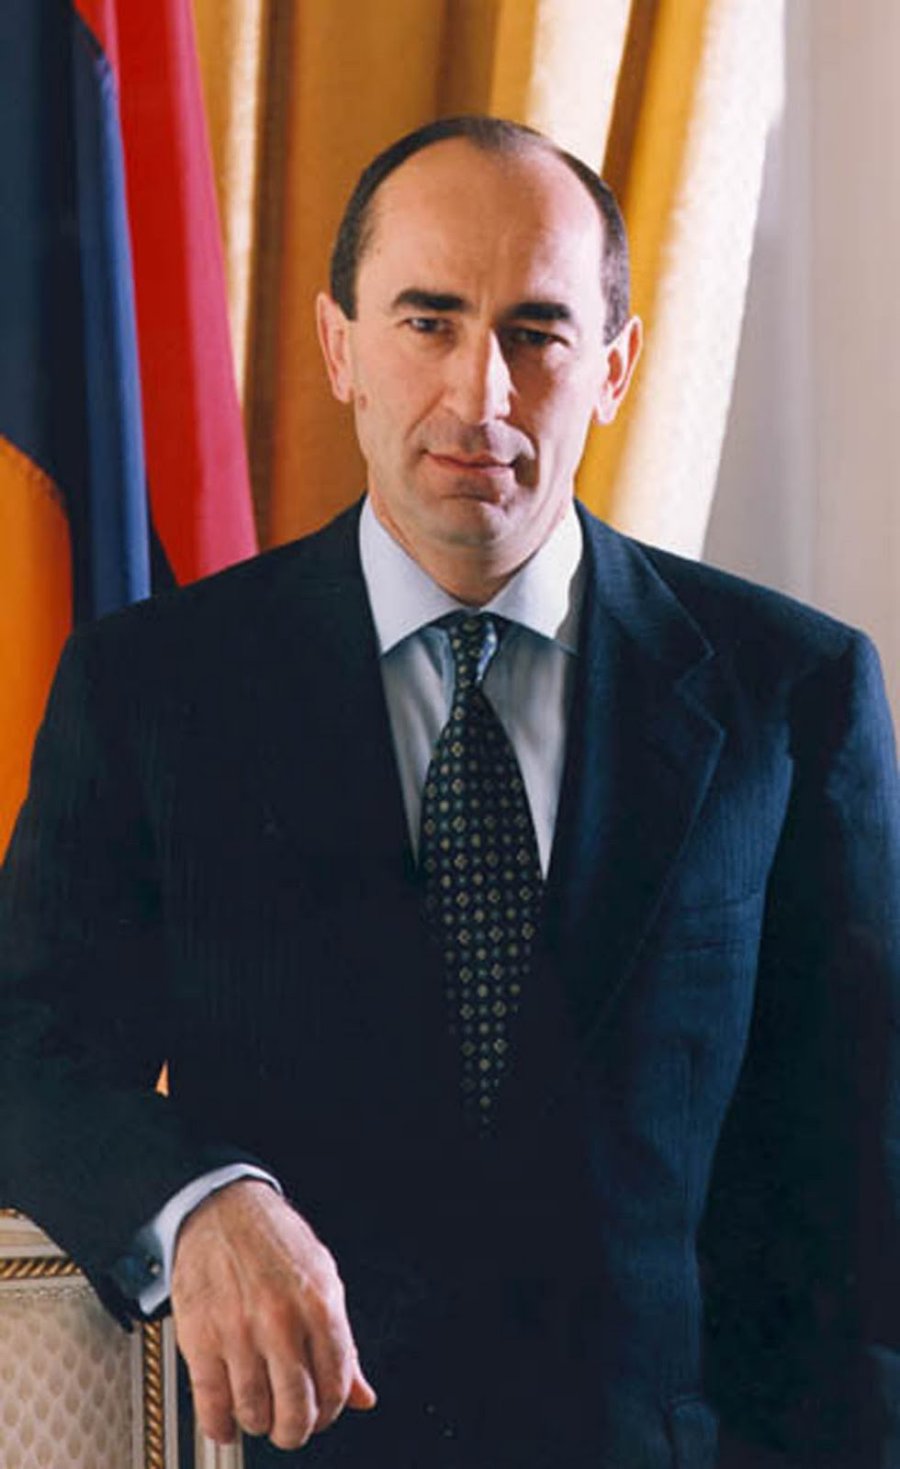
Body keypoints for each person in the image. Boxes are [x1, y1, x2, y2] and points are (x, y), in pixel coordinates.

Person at [1, 114, 899, 1469]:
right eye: (428, 321)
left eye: (537, 333)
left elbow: (861, 1206)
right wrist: (197, 1199)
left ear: (615, 368)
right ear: (340, 348)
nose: (481, 393)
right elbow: (23, 1049)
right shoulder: (154, 687)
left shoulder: (795, 688)